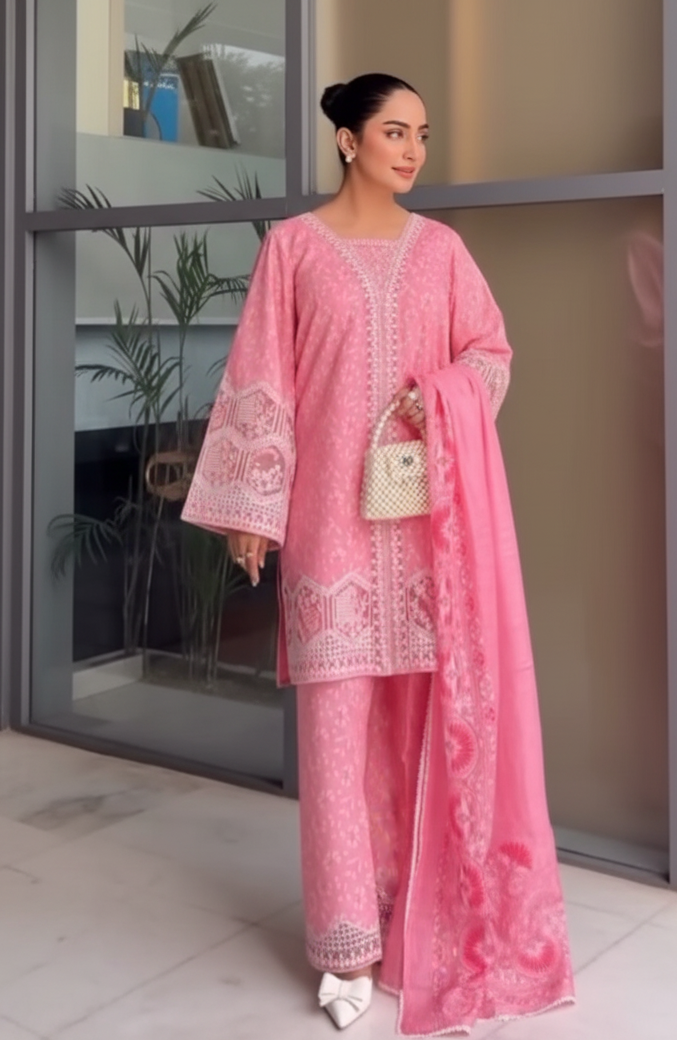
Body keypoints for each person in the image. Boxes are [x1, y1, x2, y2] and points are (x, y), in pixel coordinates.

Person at [182, 72, 574, 1035]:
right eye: (394, 132)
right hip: (330, 532)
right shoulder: (295, 250)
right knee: (337, 740)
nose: (412, 150)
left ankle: (421, 918)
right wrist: (251, 510)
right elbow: (263, 378)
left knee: (428, 730)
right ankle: (348, 944)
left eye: (423, 135)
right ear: (349, 141)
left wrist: (437, 394)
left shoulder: (442, 252)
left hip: (430, 532)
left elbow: (492, 354)